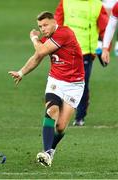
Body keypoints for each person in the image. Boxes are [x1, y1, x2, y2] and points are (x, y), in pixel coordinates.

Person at [8, 11, 85, 167]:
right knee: (51, 111)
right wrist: (22, 72)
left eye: (45, 25)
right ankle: (46, 152)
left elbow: (41, 51)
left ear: (54, 22)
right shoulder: (47, 40)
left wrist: (34, 38)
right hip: (56, 80)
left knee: (61, 126)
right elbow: (37, 57)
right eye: (40, 26)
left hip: (75, 85)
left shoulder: (64, 32)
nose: (43, 29)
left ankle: (50, 151)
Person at [54, 0, 109, 126]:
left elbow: (104, 28)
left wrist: (105, 48)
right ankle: (60, 112)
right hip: (66, 50)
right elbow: (57, 23)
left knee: (81, 84)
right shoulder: (66, 2)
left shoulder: (97, 5)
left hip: (86, 52)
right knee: (62, 81)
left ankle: (80, 116)